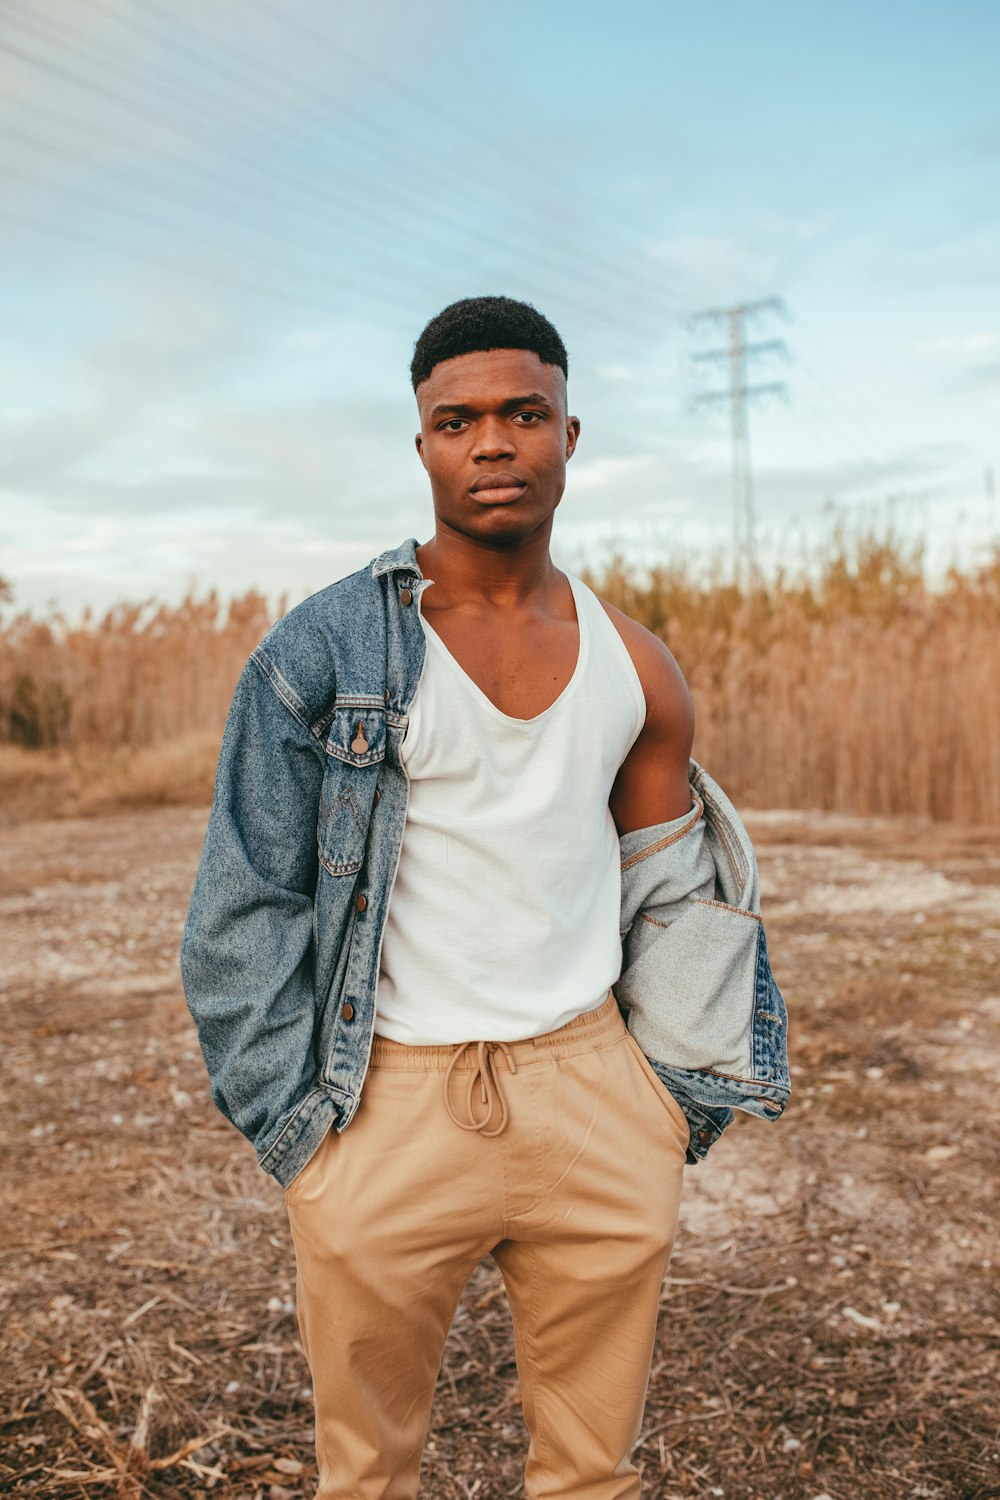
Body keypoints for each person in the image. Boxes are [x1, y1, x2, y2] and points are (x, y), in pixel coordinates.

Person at [180, 295, 790, 1499]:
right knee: (367, 1476)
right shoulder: (323, 654)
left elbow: (669, 897)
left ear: (571, 432)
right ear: (423, 448)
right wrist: (301, 1140)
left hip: (592, 1097)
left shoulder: (638, 661)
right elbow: (241, 905)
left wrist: (661, 1110)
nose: (493, 443)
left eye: (525, 414)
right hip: (385, 1105)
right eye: (457, 421)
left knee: (590, 1476)